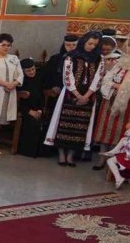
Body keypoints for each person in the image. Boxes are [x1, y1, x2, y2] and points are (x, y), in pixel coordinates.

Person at [45, 30, 105, 166]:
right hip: (70, 94)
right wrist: (77, 94)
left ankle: (71, 155)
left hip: (88, 95)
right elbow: (67, 77)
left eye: (95, 44)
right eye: (90, 43)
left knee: (80, 126)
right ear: (84, 41)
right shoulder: (70, 56)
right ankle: (61, 154)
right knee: (64, 123)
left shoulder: (99, 59)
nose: (92, 47)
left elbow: (98, 78)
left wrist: (87, 96)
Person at [16, 59, 48, 157]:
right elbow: (17, 100)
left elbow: (41, 95)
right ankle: (27, 152)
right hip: (24, 110)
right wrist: (29, 111)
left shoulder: (39, 77)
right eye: (28, 71)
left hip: (37, 108)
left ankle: (41, 153)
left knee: (47, 123)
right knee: (33, 123)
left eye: (33, 69)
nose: (32, 72)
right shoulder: (21, 81)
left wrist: (39, 110)